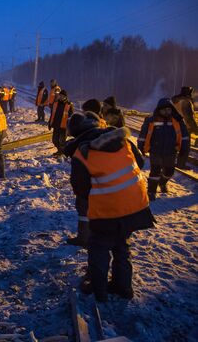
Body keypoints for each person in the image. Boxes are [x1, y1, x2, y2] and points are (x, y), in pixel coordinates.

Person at [67, 112, 154, 302]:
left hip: (108, 210)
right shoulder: (123, 140)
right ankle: (123, 288)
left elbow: (80, 188)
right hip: (136, 204)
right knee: (122, 245)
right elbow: (139, 162)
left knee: (98, 246)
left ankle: (99, 290)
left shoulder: (82, 153)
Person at [138, 98, 189, 200]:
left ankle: (162, 182)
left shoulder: (177, 121)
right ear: (158, 110)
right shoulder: (151, 120)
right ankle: (151, 192)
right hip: (155, 150)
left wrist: (184, 148)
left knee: (169, 171)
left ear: (172, 110)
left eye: (168, 110)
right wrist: (141, 146)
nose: (166, 112)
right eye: (164, 110)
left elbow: (184, 136)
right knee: (155, 171)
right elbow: (143, 135)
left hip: (171, 151)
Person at [63, 111, 101, 247]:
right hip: (132, 195)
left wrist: (84, 197)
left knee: (83, 204)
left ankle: (84, 237)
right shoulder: (109, 135)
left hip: (102, 187)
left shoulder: (81, 149)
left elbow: (79, 184)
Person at [171, 86, 197, 168]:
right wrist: (195, 129)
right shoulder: (186, 102)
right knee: (185, 147)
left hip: (173, 126)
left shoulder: (174, 100)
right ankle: (181, 164)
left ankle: (170, 162)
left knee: (174, 145)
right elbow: (189, 118)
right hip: (183, 128)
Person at [48, 89, 74, 156]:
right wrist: (50, 123)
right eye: (60, 95)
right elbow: (52, 114)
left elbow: (71, 117)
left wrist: (70, 127)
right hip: (56, 125)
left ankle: (62, 153)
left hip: (64, 126)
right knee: (55, 140)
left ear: (65, 97)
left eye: (63, 96)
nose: (61, 97)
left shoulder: (69, 105)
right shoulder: (55, 103)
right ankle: (60, 151)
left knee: (62, 142)